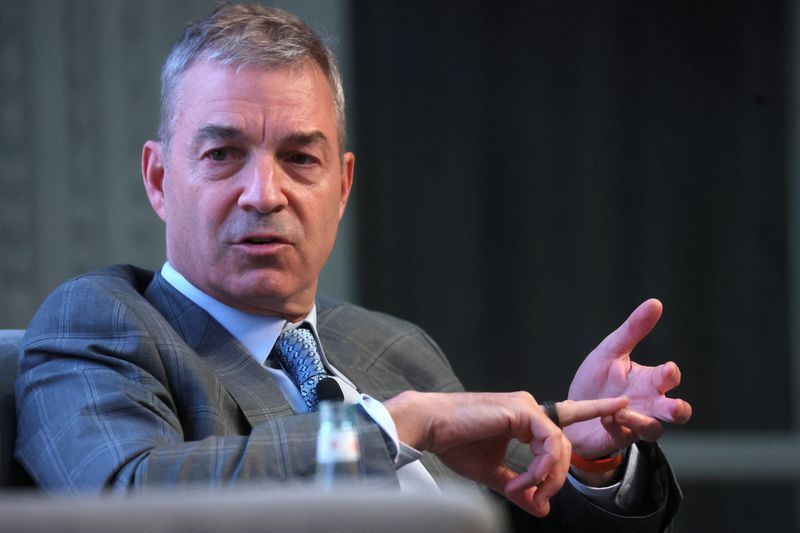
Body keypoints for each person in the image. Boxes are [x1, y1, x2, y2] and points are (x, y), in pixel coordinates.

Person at [14, 4, 691, 531]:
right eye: (223, 154)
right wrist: (390, 428)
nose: (264, 193)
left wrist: (591, 461)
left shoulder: (394, 349)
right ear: (160, 178)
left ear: (341, 187)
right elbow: (125, 502)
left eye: (299, 159)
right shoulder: (104, 321)